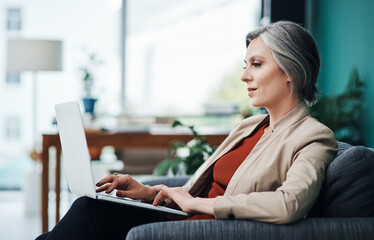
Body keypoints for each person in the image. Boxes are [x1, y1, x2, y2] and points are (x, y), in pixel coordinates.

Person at [36, 21, 337, 240]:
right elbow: (198, 189)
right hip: (183, 216)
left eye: (256, 65)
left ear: (291, 71)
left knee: (90, 214)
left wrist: (199, 204)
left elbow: (290, 204)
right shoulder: (250, 126)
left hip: (206, 228)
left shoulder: (313, 136)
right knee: (88, 206)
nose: (244, 76)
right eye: (245, 65)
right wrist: (150, 193)